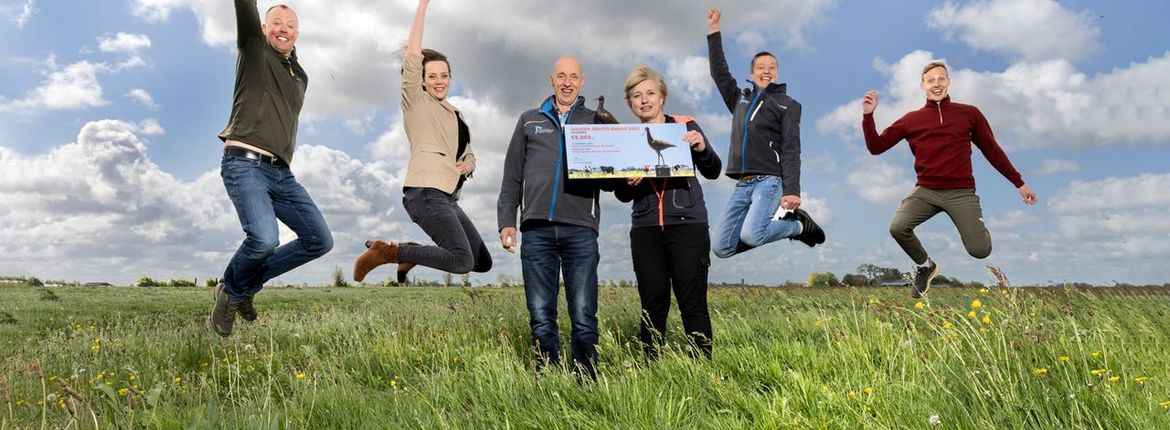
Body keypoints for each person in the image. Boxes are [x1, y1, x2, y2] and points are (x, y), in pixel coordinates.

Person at [861, 61, 1038, 298]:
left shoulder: (969, 114)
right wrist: (868, 116)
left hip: (961, 192)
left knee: (980, 250)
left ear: (948, 82)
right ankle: (926, 267)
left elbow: (992, 150)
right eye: (931, 80)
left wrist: (1019, 183)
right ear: (922, 85)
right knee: (898, 227)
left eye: (941, 78)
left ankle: (976, 225)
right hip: (926, 190)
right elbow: (876, 147)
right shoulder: (911, 119)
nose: (937, 84)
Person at [213, 1, 333, 337]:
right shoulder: (254, 51)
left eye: (290, 24)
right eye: (275, 23)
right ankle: (231, 292)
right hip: (244, 163)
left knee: (319, 240)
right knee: (264, 238)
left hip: (282, 173)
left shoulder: (300, 76)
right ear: (264, 29)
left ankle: (246, 286)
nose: (283, 28)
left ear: (297, 33)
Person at [353, 0, 491, 284]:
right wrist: (423, 5)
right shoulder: (416, 102)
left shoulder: (458, 115)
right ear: (423, 81)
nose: (439, 81)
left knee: (481, 262)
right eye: (432, 77)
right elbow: (413, 56)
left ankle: (411, 254)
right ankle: (388, 252)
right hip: (425, 192)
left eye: (444, 76)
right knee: (462, 261)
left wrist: (468, 163)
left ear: (451, 77)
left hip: (448, 196)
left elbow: (469, 153)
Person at [497, 56, 610, 381]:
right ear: (551, 80)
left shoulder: (595, 120)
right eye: (561, 76)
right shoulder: (529, 120)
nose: (567, 82)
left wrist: (627, 174)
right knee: (541, 313)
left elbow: (610, 174)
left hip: (581, 230)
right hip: (536, 230)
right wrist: (507, 220)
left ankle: (586, 378)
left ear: (582, 82)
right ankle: (546, 375)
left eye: (574, 76)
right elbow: (511, 176)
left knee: (584, 312)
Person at [614, 66, 721, 359]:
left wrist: (701, 149)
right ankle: (651, 368)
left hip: (688, 225)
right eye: (637, 96)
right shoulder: (627, 138)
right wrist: (628, 182)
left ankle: (702, 366)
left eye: (650, 93)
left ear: (662, 97)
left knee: (693, 301)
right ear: (631, 103)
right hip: (646, 229)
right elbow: (621, 194)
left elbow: (713, 170)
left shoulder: (686, 126)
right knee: (652, 302)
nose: (644, 100)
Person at [705, 7, 825, 259]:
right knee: (721, 248)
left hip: (769, 182)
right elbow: (719, 72)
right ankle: (790, 225)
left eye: (772, 67)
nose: (766, 70)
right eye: (760, 66)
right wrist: (714, 30)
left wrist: (792, 190)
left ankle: (799, 226)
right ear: (751, 73)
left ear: (777, 73)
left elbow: (791, 149)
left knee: (751, 235)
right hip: (742, 183)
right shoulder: (739, 99)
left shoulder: (788, 104)